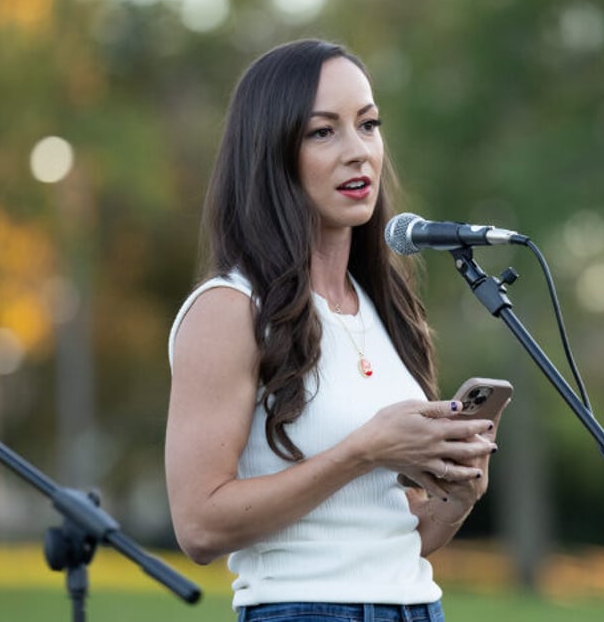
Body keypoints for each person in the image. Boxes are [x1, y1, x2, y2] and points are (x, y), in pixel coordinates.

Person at [165, 38, 498, 622]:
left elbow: (384, 539)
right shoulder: (230, 309)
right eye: (324, 132)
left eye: (368, 125)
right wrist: (364, 451)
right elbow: (199, 525)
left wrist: (454, 501)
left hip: (418, 608)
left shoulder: (384, 306)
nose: (359, 152)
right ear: (272, 154)